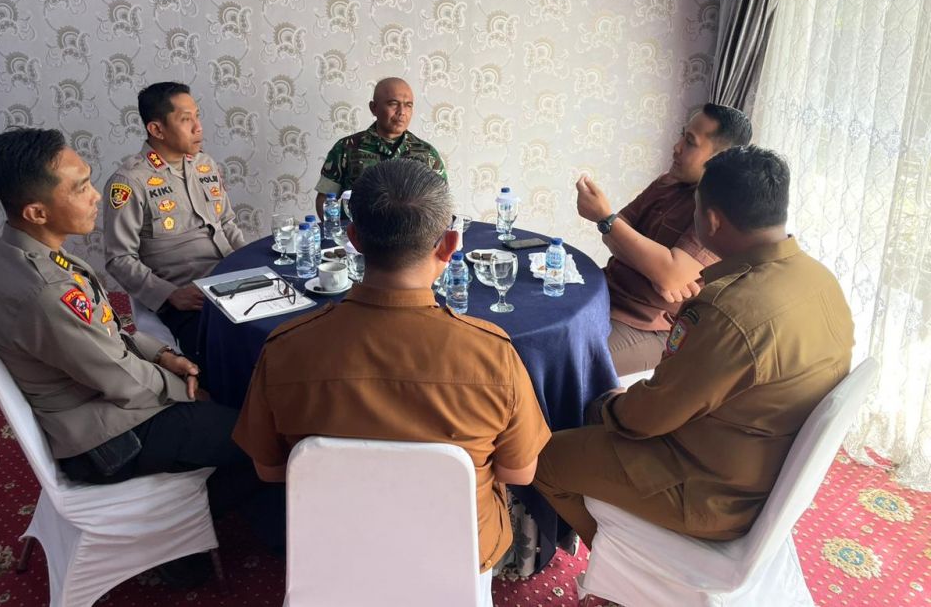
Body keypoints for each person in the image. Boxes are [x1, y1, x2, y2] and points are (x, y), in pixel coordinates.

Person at [235, 159, 551, 583]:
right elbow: (519, 472)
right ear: (450, 244)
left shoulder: (285, 349)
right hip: (458, 554)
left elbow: (269, 470)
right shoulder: (492, 354)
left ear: (353, 239)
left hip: (332, 548)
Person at [534, 146, 854, 554]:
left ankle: (628, 571)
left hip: (710, 490)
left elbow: (646, 419)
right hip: (761, 468)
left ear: (713, 220)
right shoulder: (820, 280)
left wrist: (602, 407)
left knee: (544, 458)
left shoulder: (728, 308)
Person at [0, 128, 259, 584]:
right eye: (80, 187)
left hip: (93, 400)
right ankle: (171, 543)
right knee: (259, 436)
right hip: (105, 439)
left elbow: (103, 334)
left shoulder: (25, 253)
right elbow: (122, 380)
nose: (95, 196)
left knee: (228, 403)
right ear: (36, 210)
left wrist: (164, 354)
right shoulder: (45, 291)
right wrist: (189, 393)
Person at [576, 103, 752, 376]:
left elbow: (669, 275)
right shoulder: (667, 183)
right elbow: (612, 236)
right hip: (605, 293)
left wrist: (610, 222)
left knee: (564, 360)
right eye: (683, 135)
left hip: (651, 324)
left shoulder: (721, 211)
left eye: (690, 142)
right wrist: (655, 264)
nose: (677, 147)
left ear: (722, 158)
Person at [103, 82, 246, 361]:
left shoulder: (204, 164)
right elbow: (118, 258)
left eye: (197, 115)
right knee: (231, 350)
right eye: (185, 119)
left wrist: (250, 263)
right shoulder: (131, 182)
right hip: (189, 298)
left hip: (232, 278)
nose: (198, 127)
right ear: (156, 130)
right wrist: (170, 295)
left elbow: (227, 222)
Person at [313, 77, 446, 217]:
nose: (402, 112)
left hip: (410, 236)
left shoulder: (427, 154)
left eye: (408, 105)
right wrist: (336, 234)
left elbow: (441, 204)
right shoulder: (346, 148)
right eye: (393, 104)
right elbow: (325, 200)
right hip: (359, 235)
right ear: (373, 108)